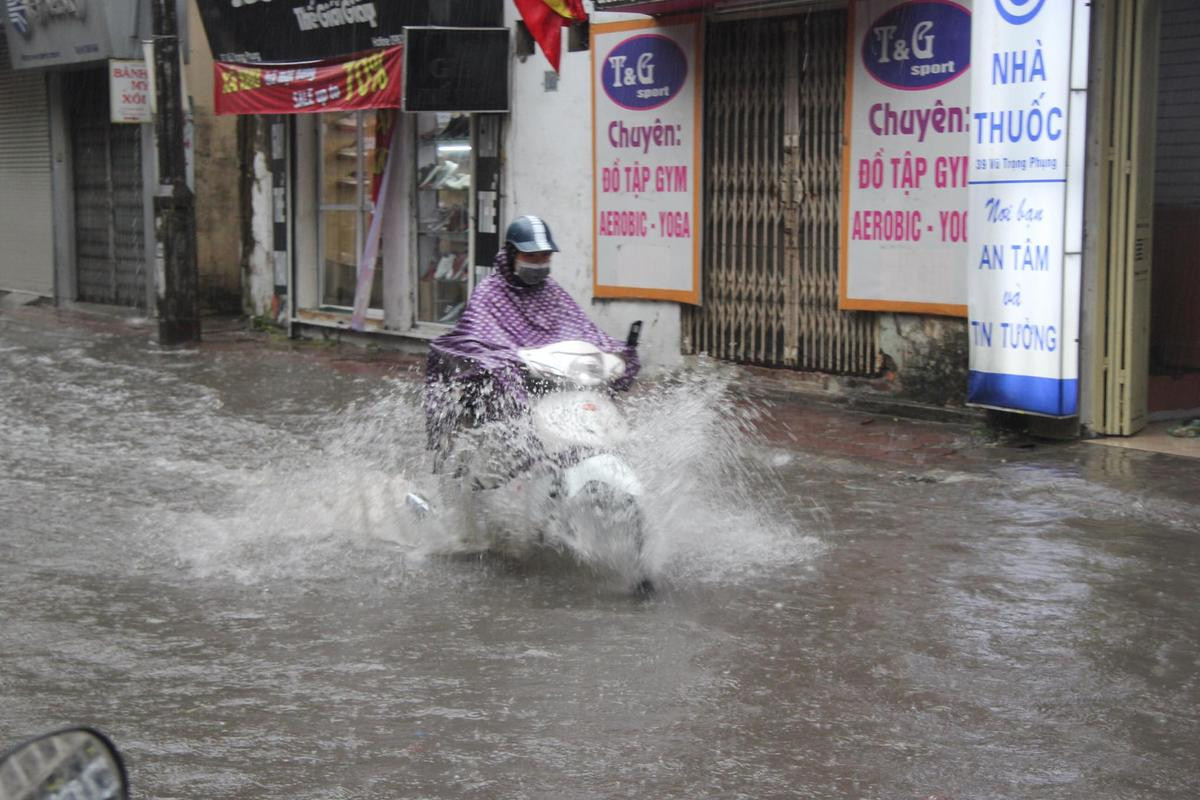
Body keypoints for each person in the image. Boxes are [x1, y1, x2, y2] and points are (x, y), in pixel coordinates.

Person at [424, 215, 640, 462]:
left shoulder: (552, 292)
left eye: (544, 257)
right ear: (512, 254)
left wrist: (611, 350)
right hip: (509, 390)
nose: (539, 264)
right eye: (531, 257)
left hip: (555, 383)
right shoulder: (489, 293)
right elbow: (478, 340)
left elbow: (581, 329)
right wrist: (504, 359)